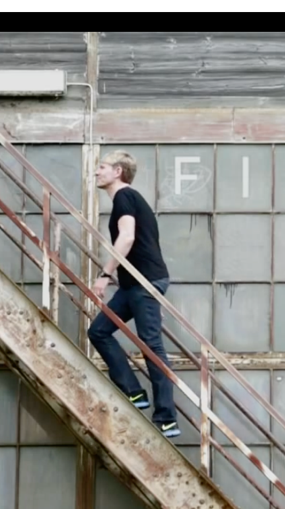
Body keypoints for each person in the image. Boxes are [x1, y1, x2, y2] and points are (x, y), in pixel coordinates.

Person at [87, 150, 180, 438]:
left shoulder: (125, 197)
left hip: (144, 282)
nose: (96, 172)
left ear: (118, 171)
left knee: (151, 344)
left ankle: (166, 417)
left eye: (101, 167)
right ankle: (134, 391)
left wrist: (104, 275)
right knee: (99, 331)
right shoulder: (129, 200)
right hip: (136, 285)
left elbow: (127, 237)